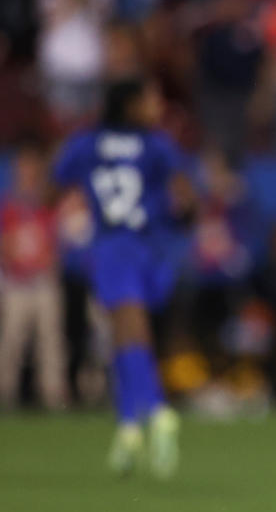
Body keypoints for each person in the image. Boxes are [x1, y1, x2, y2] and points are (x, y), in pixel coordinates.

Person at [52, 77, 194, 477]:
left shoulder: (85, 143)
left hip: (114, 246)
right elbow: (186, 198)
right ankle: (129, 428)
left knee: (129, 330)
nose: (157, 105)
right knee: (125, 332)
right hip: (154, 249)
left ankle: (156, 410)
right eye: (151, 98)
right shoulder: (157, 144)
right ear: (130, 104)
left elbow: (54, 182)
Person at [0, 142, 67, 412]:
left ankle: (54, 396)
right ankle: (5, 394)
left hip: (42, 282)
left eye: (32, 167)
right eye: (23, 167)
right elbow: (4, 244)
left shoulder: (46, 205)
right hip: (16, 282)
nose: (28, 172)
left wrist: (47, 261)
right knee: (12, 340)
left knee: (50, 341)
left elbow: (56, 244)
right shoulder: (9, 206)